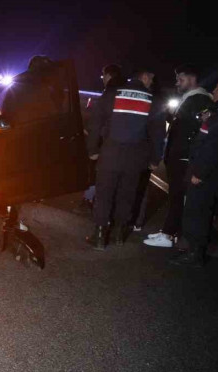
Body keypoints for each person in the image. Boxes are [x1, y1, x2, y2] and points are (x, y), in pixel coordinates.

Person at [85, 68, 166, 250]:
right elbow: (158, 133)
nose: (152, 82)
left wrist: (93, 149)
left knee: (104, 194)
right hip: (136, 157)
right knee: (127, 196)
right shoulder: (153, 100)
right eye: (151, 78)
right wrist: (155, 158)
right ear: (144, 76)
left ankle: (99, 235)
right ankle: (119, 234)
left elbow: (95, 123)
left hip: (110, 153)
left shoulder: (113, 94)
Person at [169, 75, 218, 267]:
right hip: (207, 169)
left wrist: (199, 173)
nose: (214, 91)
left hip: (206, 173)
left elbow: (215, 146)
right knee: (197, 210)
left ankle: (195, 254)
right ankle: (193, 249)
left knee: (197, 211)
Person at [144, 64, 213, 248]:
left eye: (180, 79)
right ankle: (170, 231)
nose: (177, 83)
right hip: (178, 154)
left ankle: (169, 234)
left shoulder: (199, 99)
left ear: (192, 79)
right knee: (175, 195)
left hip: (183, 156)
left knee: (177, 195)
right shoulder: (189, 98)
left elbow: (195, 129)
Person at [74, 64, 125, 215]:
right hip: (121, 142)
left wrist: (93, 147)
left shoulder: (109, 93)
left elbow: (97, 122)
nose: (102, 78)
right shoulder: (124, 92)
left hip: (105, 141)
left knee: (97, 173)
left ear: (109, 75)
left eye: (103, 75)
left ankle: (91, 203)